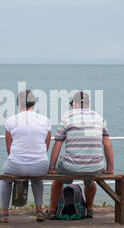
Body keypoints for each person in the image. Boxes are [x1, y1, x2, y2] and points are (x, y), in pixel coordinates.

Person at [47, 91, 114, 219]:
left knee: (58, 179)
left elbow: (57, 144)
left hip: (70, 167)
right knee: (89, 180)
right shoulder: (99, 117)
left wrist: (51, 167)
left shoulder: (67, 117)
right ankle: (89, 209)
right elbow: (107, 143)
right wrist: (110, 168)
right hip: (96, 166)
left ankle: (51, 211)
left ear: (75, 103)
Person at [0, 90, 51, 223]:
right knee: (37, 179)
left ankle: (4, 214)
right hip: (40, 166)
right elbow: (46, 147)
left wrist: (20, 159)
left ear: (18, 103)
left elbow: (8, 148)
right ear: (34, 103)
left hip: (16, 165)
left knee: (5, 179)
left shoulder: (10, 120)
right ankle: (39, 210)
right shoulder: (45, 120)